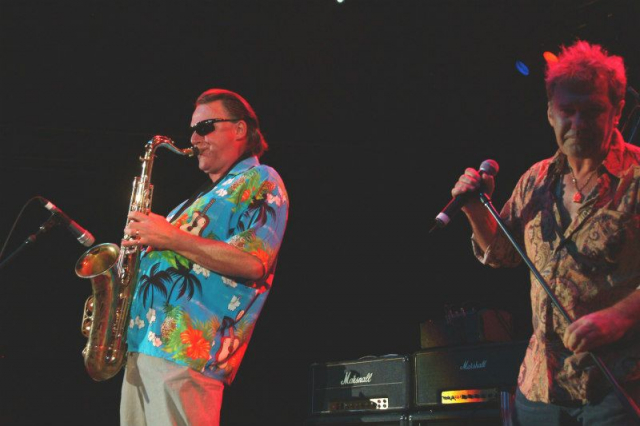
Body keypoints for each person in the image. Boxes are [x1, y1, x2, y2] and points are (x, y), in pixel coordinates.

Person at [451, 40, 640, 425]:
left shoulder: (636, 179)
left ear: (618, 111)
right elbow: (500, 254)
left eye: (592, 112)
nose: (577, 124)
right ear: (550, 114)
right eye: (566, 112)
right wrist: (474, 208)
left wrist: (620, 316)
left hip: (616, 385)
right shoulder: (535, 180)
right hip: (540, 388)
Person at [119, 88, 289, 425]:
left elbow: (252, 262)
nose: (194, 138)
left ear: (240, 129)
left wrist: (169, 235)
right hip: (142, 347)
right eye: (193, 130)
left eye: (206, 127)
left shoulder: (261, 179)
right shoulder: (191, 203)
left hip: (187, 353)